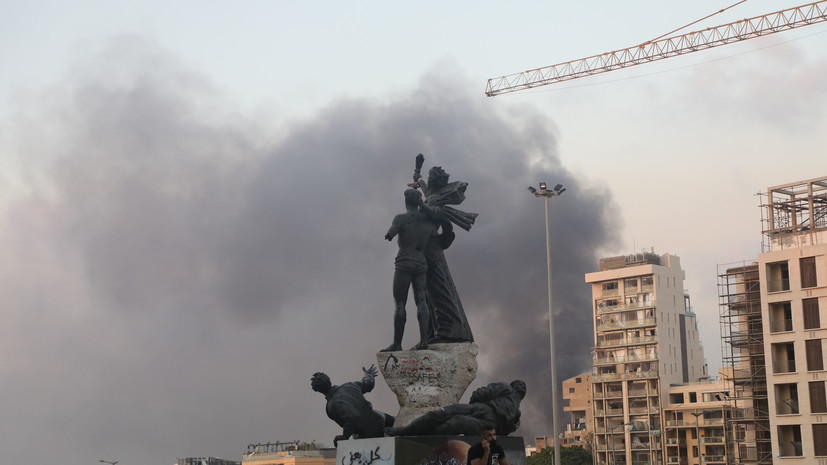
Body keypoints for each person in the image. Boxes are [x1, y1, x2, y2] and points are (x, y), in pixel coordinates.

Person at [411, 154, 477, 343]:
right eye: (429, 177)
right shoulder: (429, 195)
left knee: (439, 288)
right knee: (425, 292)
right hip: (422, 249)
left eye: (432, 177)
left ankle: (450, 331)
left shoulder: (437, 200)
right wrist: (418, 167)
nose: (429, 180)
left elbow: (440, 218)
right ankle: (431, 333)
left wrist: (421, 205)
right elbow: (418, 180)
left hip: (433, 250)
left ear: (437, 182)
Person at [381, 189, 438, 351]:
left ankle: (397, 343)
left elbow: (390, 233)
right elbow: (436, 239)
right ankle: (424, 341)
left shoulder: (401, 218)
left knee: (400, 303)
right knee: (422, 301)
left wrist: (389, 235)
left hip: (405, 262)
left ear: (406, 202)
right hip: (421, 263)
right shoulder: (429, 223)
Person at [385, 380, 526, 437]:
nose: (523, 385)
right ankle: (409, 430)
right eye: (521, 384)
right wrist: (474, 406)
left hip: (486, 422)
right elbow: (482, 393)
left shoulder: (516, 415)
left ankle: (417, 434)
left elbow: (503, 433)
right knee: (446, 414)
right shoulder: (506, 390)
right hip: (483, 410)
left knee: (453, 420)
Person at [311, 365, 394, 446]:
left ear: (317, 390)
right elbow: (368, 384)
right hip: (380, 417)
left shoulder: (332, 406)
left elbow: (353, 416)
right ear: (329, 380)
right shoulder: (349, 385)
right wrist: (369, 375)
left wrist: (345, 436)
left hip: (368, 435)